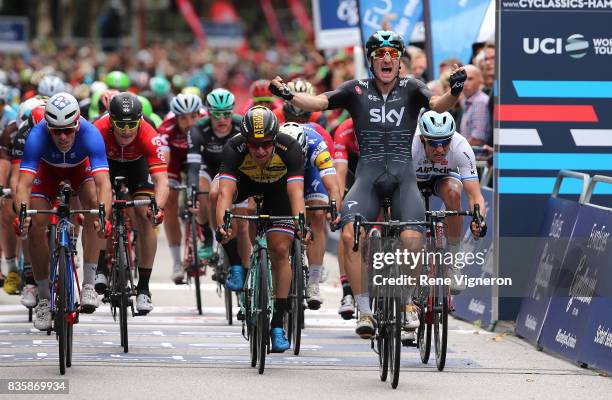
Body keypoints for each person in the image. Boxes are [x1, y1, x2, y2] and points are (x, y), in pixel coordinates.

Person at [270, 30, 466, 339]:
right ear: (371, 61)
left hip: (403, 178)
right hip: (368, 177)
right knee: (350, 236)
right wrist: (288, 95)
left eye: (392, 56)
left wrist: (454, 92)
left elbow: (439, 105)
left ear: (400, 62)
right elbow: (319, 102)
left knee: (414, 241)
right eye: (380, 56)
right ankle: (365, 310)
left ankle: (404, 304)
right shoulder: (355, 89)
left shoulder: (412, 87)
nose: (386, 60)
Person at [15, 92, 112, 330]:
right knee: (35, 225)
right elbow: (23, 185)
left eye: (68, 130)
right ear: (47, 127)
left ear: (77, 124)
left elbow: (104, 184)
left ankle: (88, 283)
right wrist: (21, 215)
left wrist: (103, 215)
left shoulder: (90, 134)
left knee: (93, 209)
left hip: (80, 171)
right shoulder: (36, 136)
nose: (63, 136)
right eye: (56, 131)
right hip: (46, 174)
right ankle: (45, 300)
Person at [216, 106, 306, 353]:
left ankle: (277, 324)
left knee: (279, 250)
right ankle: (239, 263)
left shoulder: (290, 148)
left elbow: (296, 193)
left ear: (275, 139)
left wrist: (301, 222)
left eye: (266, 144)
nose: (261, 150)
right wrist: (222, 225)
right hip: (245, 184)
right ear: (245, 141)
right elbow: (225, 192)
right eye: (254, 145)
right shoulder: (234, 148)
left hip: (279, 190)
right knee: (215, 195)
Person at [93, 93, 168, 314]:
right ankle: (100, 265)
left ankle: (144, 287)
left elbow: (162, 180)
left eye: (131, 125)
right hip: (107, 164)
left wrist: (158, 208)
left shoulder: (148, 133)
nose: (126, 130)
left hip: (138, 166)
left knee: (146, 216)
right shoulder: (98, 129)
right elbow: (89, 179)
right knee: (100, 211)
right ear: (110, 120)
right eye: (120, 125)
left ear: (140, 121)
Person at [185, 89, 246, 289]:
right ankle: (207, 234)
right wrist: (191, 192)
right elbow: (193, 167)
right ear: (208, 113)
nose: (222, 119)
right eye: (216, 114)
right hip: (208, 169)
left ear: (232, 112)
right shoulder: (197, 130)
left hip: (235, 169)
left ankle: (244, 270)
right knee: (206, 191)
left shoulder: (241, 125)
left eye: (226, 113)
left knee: (243, 225)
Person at [278, 122, 341, 309]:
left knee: (318, 213)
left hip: (310, 173)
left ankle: (313, 280)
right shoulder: (274, 144)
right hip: (282, 172)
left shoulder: (316, 145)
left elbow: (333, 186)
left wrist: (334, 208)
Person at [157, 92, 206, 284]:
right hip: (176, 160)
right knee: (169, 200)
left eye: (193, 116)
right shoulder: (166, 129)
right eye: (183, 118)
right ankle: (177, 262)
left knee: (205, 190)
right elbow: (164, 163)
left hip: (199, 157)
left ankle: (206, 238)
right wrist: (165, 184)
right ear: (175, 117)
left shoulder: (206, 121)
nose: (189, 122)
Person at [459, 65, 490, 146]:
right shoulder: (467, 100)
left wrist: (458, 151)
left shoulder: (480, 101)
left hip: (475, 156)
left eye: (470, 79)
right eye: (462, 79)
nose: (465, 83)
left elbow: (477, 139)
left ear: (480, 81)